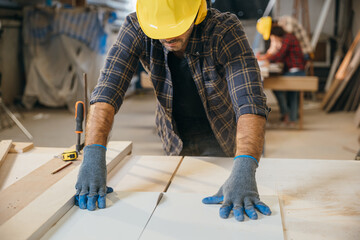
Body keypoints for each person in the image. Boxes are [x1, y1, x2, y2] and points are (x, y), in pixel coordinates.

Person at [75, 0, 271, 222]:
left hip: (227, 136)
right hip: (174, 136)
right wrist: (93, 152)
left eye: (176, 27)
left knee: (225, 213)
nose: (167, 37)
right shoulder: (136, 27)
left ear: (196, 14)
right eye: (160, 29)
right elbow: (108, 91)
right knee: (183, 210)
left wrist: (245, 164)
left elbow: (250, 99)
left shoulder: (224, 30)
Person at [258, 24, 306, 125]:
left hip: (296, 71)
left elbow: (281, 53)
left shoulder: (288, 38)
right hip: (293, 71)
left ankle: (287, 114)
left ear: (276, 34)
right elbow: (280, 55)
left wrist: (267, 59)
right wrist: (268, 58)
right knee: (291, 93)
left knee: (278, 87)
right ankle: (291, 118)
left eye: (274, 37)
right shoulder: (288, 38)